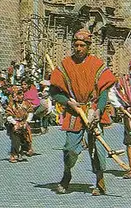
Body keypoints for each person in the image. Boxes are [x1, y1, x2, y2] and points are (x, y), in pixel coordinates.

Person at [49, 29, 117, 196]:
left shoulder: (97, 65)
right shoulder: (65, 65)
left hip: (93, 110)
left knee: (98, 148)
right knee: (70, 149)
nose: (78, 48)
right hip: (74, 111)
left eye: (82, 45)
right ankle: (67, 174)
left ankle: (100, 180)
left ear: (88, 46)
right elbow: (54, 91)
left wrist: (99, 110)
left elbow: (103, 92)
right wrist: (68, 102)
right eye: (76, 45)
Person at [6, 90, 35, 163]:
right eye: (19, 95)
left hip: (24, 123)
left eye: (22, 95)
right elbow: (8, 115)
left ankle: (21, 152)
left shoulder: (27, 103)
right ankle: (14, 155)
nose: (21, 96)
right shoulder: (11, 105)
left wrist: (27, 121)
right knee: (15, 141)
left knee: (25, 139)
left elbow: (30, 112)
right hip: (14, 124)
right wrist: (15, 123)